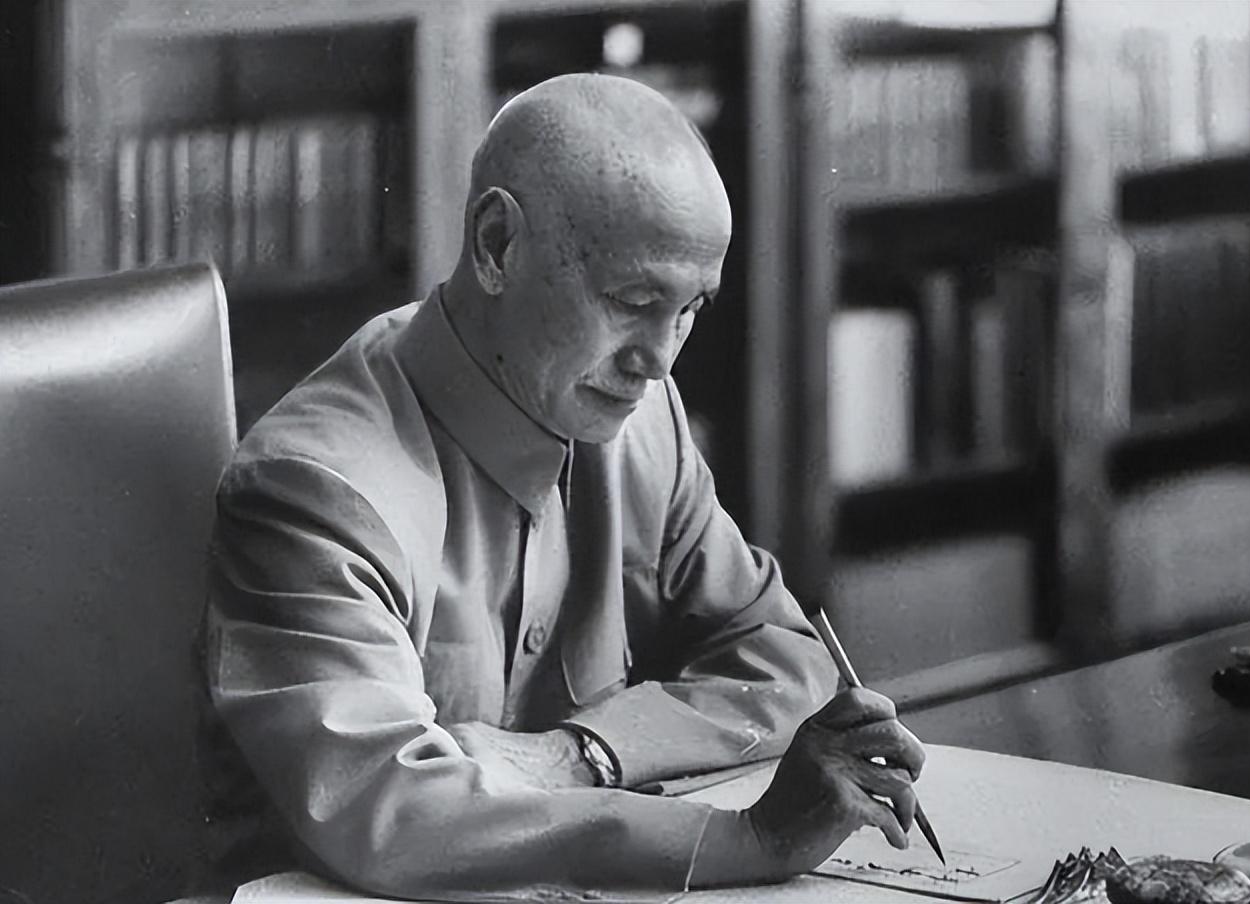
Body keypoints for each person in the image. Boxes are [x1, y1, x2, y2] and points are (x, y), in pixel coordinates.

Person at [202, 73, 926, 899]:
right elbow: (391, 811)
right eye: (634, 300)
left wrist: (583, 753)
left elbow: (782, 655)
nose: (660, 360)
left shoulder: (640, 421)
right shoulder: (313, 488)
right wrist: (749, 838)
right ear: (497, 245)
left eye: (690, 309)